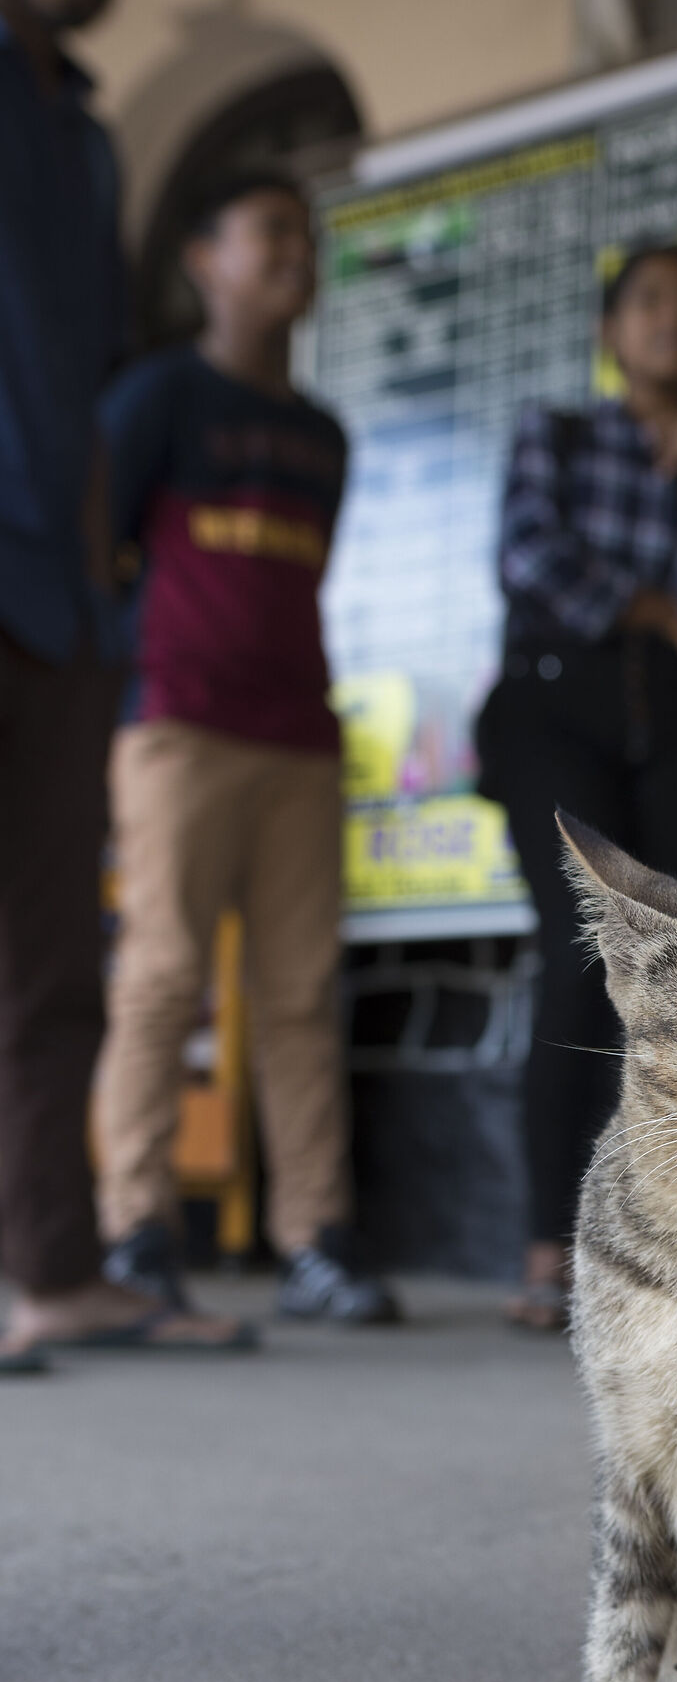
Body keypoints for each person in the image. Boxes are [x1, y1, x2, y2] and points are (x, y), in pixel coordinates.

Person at [0, 0, 245, 1366]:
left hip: (57, 601)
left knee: (50, 964)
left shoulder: (87, 142)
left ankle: (49, 1269)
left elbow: (91, 384)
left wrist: (102, 575)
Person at [93, 167, 400, 1326]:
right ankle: (134, 1231)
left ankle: (315, 1239)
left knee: (300, 991)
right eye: (268, 232)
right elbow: (101, 550)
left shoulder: (323, 434)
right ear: (203, 262)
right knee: (163, 974)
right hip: (176, 724)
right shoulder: (157, 397)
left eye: (305, 238)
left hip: (299, 738)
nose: (294, 255)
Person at [480, 243, 677, 1330]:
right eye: (648, 302)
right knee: (579, 956)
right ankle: (552, 1250)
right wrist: (653, 606)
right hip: (558, 705)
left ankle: (656, 1244)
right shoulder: (556, 432)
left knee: (674, 981)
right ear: (610, 330)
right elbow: (532, 560)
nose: (669, 320)